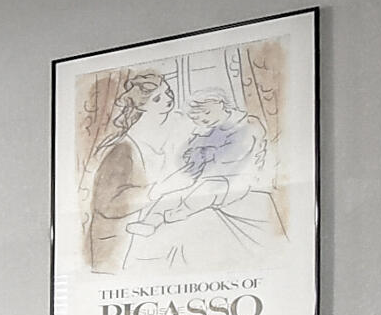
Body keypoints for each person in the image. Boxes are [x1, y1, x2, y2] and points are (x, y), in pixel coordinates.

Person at [122, 91, 279, 273]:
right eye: (199, 119)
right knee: (173, 193)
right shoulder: (212, 130)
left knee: (206, 190)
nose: (204, 120)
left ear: (221, 104)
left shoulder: (248, 125)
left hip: (238, 180)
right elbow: (191, 156)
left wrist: (208, 153)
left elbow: (236, 156)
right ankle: (151, 223)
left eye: (207, 114)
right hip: (210, 177)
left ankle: (181, 212)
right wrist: (194, 152)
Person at [82, 70, 179, 272]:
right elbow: (107, 205)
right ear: (142, 107)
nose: (168, 99)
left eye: (168, 92)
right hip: (116, 245)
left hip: (147, 238)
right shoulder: (123, 148)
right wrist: (156, 191)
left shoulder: (169, 132)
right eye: (158, 98)